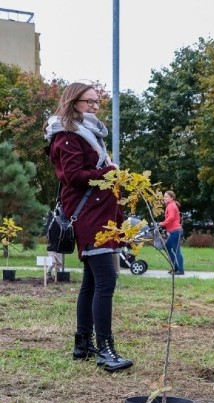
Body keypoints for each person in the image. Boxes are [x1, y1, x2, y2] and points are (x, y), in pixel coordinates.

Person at [44, 82, 132, 372]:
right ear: (73, 102)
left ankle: (82, 344)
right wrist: (109, 171)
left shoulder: (85, 134)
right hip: (89, 218)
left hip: (97, 214)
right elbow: (73, 176)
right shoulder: (67, 136)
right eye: (90, 102)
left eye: (97, 102)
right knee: (106, 281)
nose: (95, 107)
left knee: (91, 283)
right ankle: (106, 350)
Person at [159, 190, 184, 275]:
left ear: (171, 198)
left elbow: (171, 218)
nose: (164, 198)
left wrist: (162, 223)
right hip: (174, 231)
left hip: (176, 231)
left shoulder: (171, 206)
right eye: (164, 196)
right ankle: (175, 267)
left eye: (166, 196)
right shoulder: (170, 205)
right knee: (167, 247)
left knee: (177, 251)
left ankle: (180, 270)